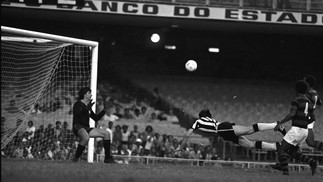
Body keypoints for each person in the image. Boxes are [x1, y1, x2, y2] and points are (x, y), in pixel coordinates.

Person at [177, 109, 286, 153]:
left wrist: (180, 148)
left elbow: (187, 135)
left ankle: (276, 125)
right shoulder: (210, 121)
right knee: (249, 145)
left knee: (249, 130)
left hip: (223, 129)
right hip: (223, 132)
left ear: (201, 116)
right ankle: (277, 146)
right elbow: (216, 136)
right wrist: (208, 146)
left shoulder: (198, 122)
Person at [273, 80, 318, 175]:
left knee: (281, 149)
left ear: (296, 90)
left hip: (296, 129)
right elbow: (311, 118)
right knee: (292, 152)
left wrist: (280, 123)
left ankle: (285, 173)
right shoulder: (309, 102)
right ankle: (312, 162)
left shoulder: (296, 100)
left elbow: (292, 114)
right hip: (305, 131)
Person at [72, 87, 116, 163]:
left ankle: (107, 158)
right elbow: (77, 113)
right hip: (77, 126)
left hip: (86, 128)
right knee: (86, 138)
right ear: (85, 94)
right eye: (89, 93)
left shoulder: (87, 106)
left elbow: (96, 118)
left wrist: (104, 110)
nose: (91, 95)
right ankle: (76, 158)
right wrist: (87, 109)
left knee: (106, 134)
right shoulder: (78, 104)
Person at [304, 75, 323, 151]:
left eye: (304, 81)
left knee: (310, 142)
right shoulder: (315, 93)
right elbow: (320, 102)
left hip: (306, 120)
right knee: (310, 142)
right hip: (311, 119)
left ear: (308, 84)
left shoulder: (307, 94)